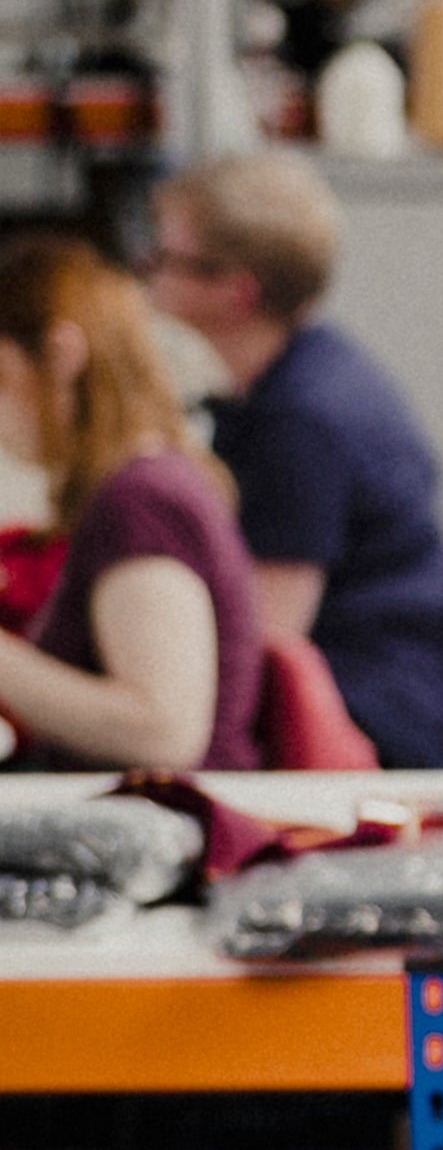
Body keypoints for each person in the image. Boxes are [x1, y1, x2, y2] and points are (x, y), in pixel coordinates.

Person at [153, 149, 443, 763]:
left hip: (369, 723)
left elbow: (264, 636)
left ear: (236, 292)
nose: (150, 275)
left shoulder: (299, 421)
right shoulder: (308, 365)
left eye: (168, 260)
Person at [0, 232, 264, 771]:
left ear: (61, 355)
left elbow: (163, 732)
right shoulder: (149, 481)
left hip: (166, 835)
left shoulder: (140, 503)